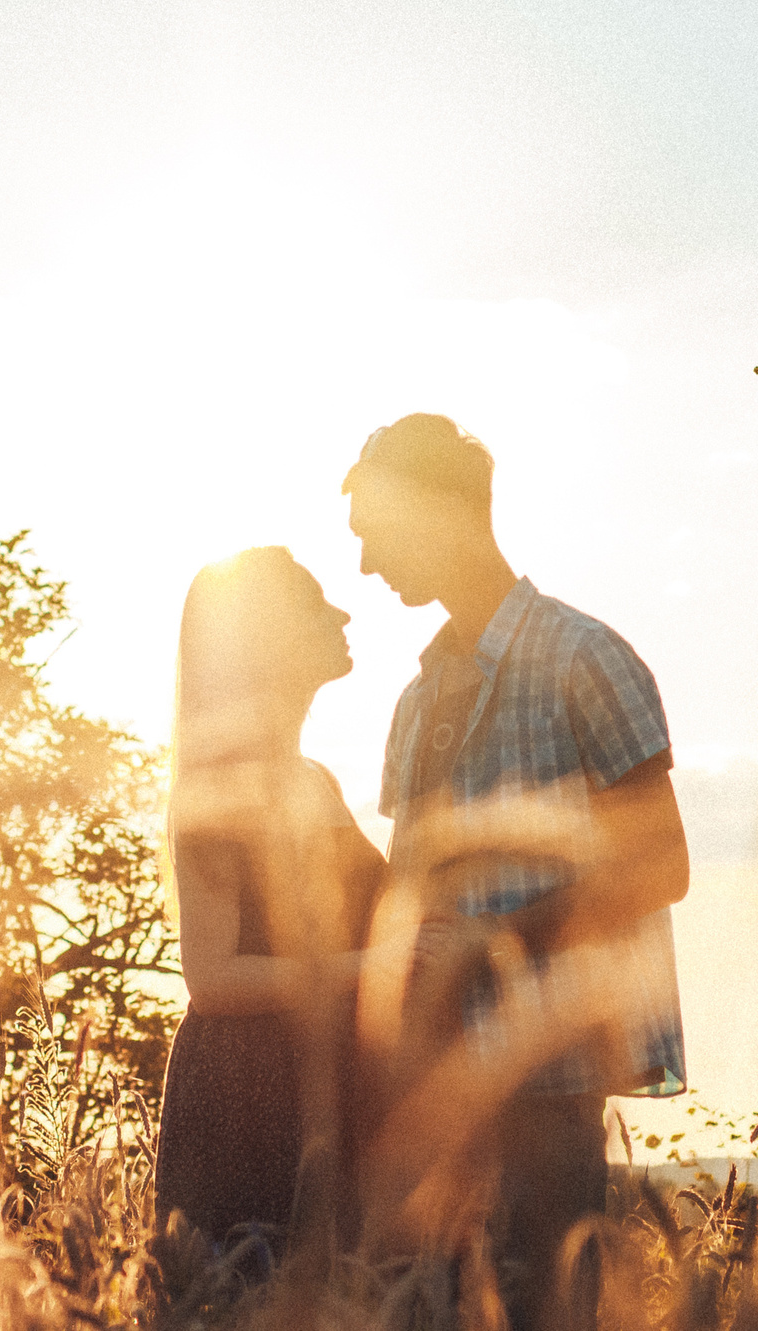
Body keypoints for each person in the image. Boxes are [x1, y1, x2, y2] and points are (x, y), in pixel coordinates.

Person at [343, 414, 690, 1331]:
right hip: (434, 1095)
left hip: (550, 1082)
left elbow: (661, 860)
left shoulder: (587, 658)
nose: (369, 566)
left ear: (444, 508)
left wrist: (489, 945)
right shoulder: (413, 705)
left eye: (377, 532)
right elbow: (406, 894)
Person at [154, 547, 388, 1256]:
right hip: (242, 1101)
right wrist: (367, 967)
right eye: (318, 603)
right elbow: (212, 978)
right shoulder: (218, 786)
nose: (343, 614)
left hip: (317, 1093)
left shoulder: (314, 779)